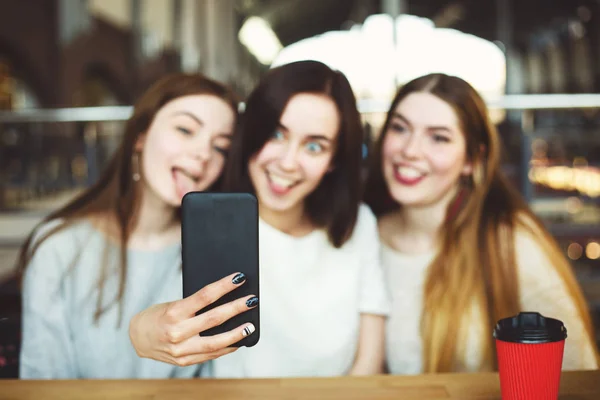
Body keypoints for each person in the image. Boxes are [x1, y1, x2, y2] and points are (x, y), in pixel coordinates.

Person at [131, 60, 391, 378]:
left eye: (314, 146)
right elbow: (152, 323)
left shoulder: (359, 225)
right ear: (251, 131)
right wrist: (143, 331)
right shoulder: (205, 222)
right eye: (276, 134)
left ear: (334, 160)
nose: (288, 162)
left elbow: (369, 362)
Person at [18, 73, 257, 379]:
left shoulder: (218, 253)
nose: (203, 154)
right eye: (185, 129)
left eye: (221, 147)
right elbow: (42, 382)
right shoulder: (58, 248)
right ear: (140, 136)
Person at [364, 73, 600, 374]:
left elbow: (577, 370)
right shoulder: (363, 238)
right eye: (400, 128)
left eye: (438, 137)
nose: (410, 151)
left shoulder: (510, 244)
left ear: (472, 160)